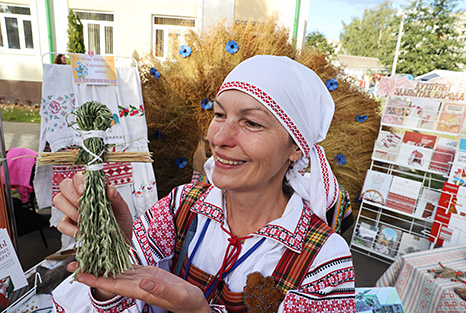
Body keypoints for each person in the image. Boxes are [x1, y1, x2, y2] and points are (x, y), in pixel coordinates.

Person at [52, 55, 356, 312]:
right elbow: (112, 294)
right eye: (220, 114)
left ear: (296, 149)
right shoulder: (181, 206)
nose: (220, 139)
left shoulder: (324, 261)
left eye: (251, 122)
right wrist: (115, 251)